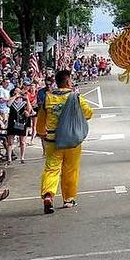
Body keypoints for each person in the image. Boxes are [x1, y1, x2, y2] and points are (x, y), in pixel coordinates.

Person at [37, 70, 94, 214]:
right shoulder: (75, 97)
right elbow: (88, 113)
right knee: (70, 169)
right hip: (71, 140)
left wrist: (42, 133)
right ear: (68, 81)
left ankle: (48, 195)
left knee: (51, 168)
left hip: (52, 140)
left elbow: (41, 120)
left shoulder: (48, 97)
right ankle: (68, 199)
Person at [6, 86, 33, 163]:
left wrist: (27, 99)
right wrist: (15, 96)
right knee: (10, 141)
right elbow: (8, 104)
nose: (18, 92)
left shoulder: (23, 102)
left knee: (22, 141)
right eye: (16, 91)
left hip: (21, 122)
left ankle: (22, 158)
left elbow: (29, 109)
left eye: (19, 91)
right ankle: (9, 158)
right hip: (12, 121)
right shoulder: (12, 99)